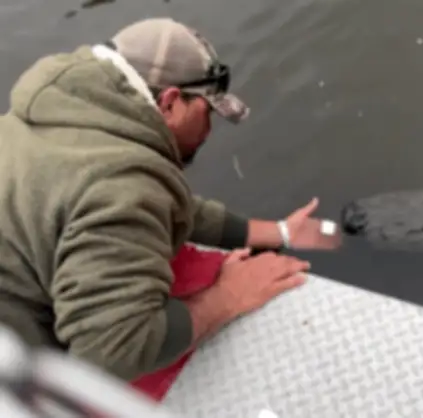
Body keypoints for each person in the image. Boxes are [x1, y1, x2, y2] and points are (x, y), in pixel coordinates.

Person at [0, 17, 343, 382]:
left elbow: (151, 201)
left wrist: (279, 233)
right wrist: (229, 296)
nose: (208, 130)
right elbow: (112, 351)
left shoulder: (59, 115)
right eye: (207, 112)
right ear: (170, 103)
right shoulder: (121, 186)